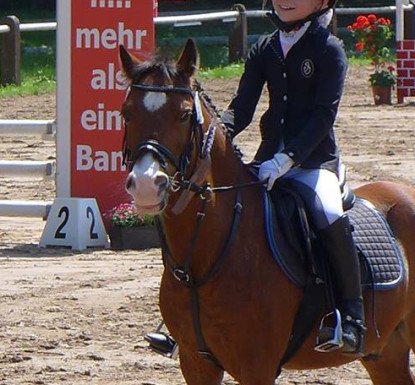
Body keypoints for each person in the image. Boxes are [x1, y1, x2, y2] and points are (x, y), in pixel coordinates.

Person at [145, 0, 365, 356]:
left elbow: (324, 116)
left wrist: (287, 158)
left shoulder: (329, 49)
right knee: (213, 209)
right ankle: (185, 320)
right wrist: (216, 133)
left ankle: (351, 316)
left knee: (327, 213)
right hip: (266, 160)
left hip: (313, 163)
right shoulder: (266, 47)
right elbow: (242, 107)